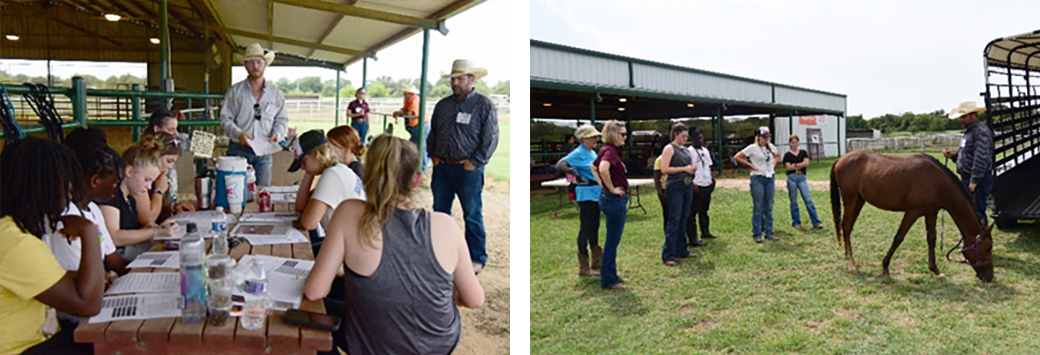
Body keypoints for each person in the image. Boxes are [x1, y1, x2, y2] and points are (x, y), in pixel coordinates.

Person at [303, 134, 484, 354]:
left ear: (367, 176)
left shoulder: (349, 214)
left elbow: (314, 292)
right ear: (416, 180)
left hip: (374, 345)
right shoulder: (445, 224)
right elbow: (474, 299)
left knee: (306, 314)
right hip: (438, 345)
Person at [1, 137, 103, 354]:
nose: (69, 195)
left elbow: (44, 279)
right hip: (24, 349)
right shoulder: (16, 243)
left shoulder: (10, 230)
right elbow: (88, 305)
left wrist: (82, 276)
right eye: (65, 184)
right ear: (44, 187)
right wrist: (89, 231)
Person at [42, 128, 129, 331]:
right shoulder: (66, 218)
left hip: (95, 295)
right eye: (115, 184)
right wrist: (103, 279)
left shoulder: (93, 211)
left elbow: (114, 259)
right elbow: (77, 284)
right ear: (95, 181)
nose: (116, 190)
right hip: (75, 312)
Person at [427, 59, 499, 274]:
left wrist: (475, 162)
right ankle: (440, 252)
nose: (455, 83)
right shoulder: (443, 105)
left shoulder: (484, 105)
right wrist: (434, 156)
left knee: (472, 214)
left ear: (471, 79)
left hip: (468, 170)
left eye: (459, 79)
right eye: (453, 79)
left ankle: (476, 257)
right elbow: (433, 133)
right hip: (443, 168)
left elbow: (491, 138)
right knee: (440, 212)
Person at [99, 135, 181, 262]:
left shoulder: (130, 199)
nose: (148, 187)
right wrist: (155, 232)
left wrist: (151, 228)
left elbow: (130, 231)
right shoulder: (112, 196)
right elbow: (114, 237)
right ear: (130, 171)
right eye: (146, 180)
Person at [219, 43, 289, 187]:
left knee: (263, 191)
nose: (255, 66)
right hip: (238, 149)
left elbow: (281, 118)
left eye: (258, 62)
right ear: (245, 65)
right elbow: (225, 118)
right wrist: (239, 134)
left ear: (265, 64)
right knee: (235, 190)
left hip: (265, 149)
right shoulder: (235, 92)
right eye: (251, 62)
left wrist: (277, 133)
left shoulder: (275, 93)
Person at [291, 130, 366, 247]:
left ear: (315, 154)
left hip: (351, 249)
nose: (302, 168)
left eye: (304, 162)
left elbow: (308, 223)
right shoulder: (337, 170)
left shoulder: (333, 174)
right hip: (351, 244)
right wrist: (309, 172)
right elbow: (300, 207)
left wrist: (311, 169)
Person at [555, 125, 603, 277]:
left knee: (595, 225)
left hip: (596, 192)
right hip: (586, 193)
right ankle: (584, 266)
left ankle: (597, 260)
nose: (596, 139)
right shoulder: (577, 153)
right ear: (583, 139)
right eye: (592, 137)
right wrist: (573, 173)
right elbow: (560, 164)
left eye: (596, 137)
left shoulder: (592, 152)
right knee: (586, 227)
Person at [942, 101, 994, 226]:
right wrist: (953, 157)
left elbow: (981, 157)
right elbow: (968, 155)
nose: (961, 120)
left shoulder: (980, 132)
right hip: (969, 178)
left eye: (963, 116)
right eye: (960, 116)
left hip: (977, 180)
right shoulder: (970, 132)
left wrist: (974, 180)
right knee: (970, 211)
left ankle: (981, 240)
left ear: (974, 115)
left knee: (977, 212)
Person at [592, 120, 629, 289]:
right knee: (612, 241)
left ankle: (611, 273)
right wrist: (611, 188)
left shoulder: (605, 149)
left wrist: (603, 186)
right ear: (613, 135)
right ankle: (608, 280)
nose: (625, 137)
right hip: (614, 200)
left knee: (612, 240)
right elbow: (602, 168)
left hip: (608, 199)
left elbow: (593, 167)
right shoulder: (610, 151)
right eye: (622, 134)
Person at [659, 123, 698, 266]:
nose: (685, 139)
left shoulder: (686, 150)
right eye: (683, 136)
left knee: (683, 218)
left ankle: (682, 249)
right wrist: (685, 169)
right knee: (674, 219)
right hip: (675, 186)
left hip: (686, 185)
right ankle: (668, 254)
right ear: (675, 134)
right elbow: (664, 169)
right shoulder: (669, 148)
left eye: (686, 136)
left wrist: (691, 169)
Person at [135, 131, 193, 226]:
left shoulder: (158, 178)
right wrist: (159, 191)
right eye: (169, 161)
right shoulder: (140, 179)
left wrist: (173, 207)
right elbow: (148, 218)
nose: (170, 167)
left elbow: (156, 207)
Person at [734, 126, 780, 243]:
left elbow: (777, 155)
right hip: (757, 178)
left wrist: (773, 165)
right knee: (758, 207)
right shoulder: (752, 148)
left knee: (768, 206)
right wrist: (750, 165)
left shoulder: (771, 147)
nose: (766, 139)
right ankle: (757, 233)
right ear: (758, 137)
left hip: (769, 178)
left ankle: (769, 232)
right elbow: (737, 157)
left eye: (768, 137)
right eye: (764, 137)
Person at [143, 109, 195, 214]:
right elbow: (147, 216)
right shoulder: (144, 165)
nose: (176, 134)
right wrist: (159, 191)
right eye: (171, 130)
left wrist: (173, 206)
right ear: (157, 129)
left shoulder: (167, 156)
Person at [783, 134, 824, 229]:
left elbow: (807, 163)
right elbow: (788, 167)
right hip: (791, 178)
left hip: (801, 177)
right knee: (793, 200)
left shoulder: (803, 153)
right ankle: (796, 222)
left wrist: (796, 165)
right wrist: (801, 164)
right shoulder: (787, 155)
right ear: (790, 143)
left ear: (799, 143)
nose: (794, 144)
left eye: (796, 142)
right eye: (792, 142)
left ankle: (816, 222)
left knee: (808, 199)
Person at [687, 129, 718, 244]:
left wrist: (712, 180)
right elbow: (688, 169)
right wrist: (692, 184)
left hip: (706, 183)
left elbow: (708, 166)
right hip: (697, 184)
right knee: (693, 211)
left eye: (701, 139)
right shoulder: (689, 151)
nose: (700, 141)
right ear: (693, 140)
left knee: (704, 210)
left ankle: (705, 231)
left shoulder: (705, 150)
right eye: (698, 139)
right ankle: (693, 236)